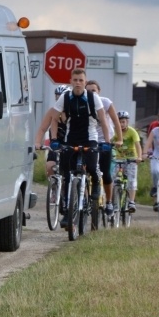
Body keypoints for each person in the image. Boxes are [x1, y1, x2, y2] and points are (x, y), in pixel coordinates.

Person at [34, 68, 119, 228]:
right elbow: (53, 118)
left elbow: (104, 121)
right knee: (67, 174)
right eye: (75, 80)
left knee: (93, 167)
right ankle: (67, 213)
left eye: (81, 80)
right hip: (71, 139)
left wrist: (107, 142)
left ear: (85, 82)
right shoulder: (65, 98)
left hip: (90, 138)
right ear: (71, 82)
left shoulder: (94, 98)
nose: (78, 83)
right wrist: (53, 140)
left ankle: (95, 185)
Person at [85, 80, 123, 218]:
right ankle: (84, 197)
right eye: (88, 90)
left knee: (105, 172)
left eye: (93, 90)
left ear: (99, 91)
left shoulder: (106, 102)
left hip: (105, 141)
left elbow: (116, 121)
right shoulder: (83, 102)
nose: (91, 93)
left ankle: (109, 202)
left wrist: (119, 139)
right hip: (90, 140)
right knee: (86, 169)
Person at [112, 111, 142, 212]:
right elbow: (109, 142)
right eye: (119, 122)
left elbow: (137, 145)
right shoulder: (114, 131)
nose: (121, 124)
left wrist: (139, 157)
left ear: (127, 122)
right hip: (118, 158)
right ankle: (112, 201)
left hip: (131, 159)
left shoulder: (132, 132)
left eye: (123, 122)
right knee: (112, 178)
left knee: (131, 180)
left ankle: (131, 202)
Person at [40, 85, 70, 181]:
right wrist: (37, 143)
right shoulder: (53, 111)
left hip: (70, 144)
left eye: (60, 96)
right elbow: (42, 128)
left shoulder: (72, 112)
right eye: (56, 95)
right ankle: (53, 187)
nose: (58, 98)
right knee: (50, 166)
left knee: (69, 171)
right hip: (56, 144)